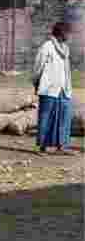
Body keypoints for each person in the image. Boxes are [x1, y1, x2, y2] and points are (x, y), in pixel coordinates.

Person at [32, 22, 74, 156]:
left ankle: (62, 146)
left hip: (63, 88)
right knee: (46, 117)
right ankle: (43, 147)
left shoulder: (65, 49)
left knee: (64, 117)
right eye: (67, 32)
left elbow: (66, 69)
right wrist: (37, 83)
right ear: (60, 33)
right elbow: (38, 67)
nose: (68, 35)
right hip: (49, 88)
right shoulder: (47, 46)